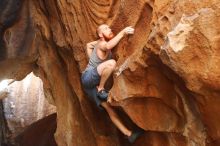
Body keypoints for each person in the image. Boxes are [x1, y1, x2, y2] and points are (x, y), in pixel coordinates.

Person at [81, 24, 143, 143]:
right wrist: (123, 32)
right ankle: (101, 88)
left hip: (89, 86)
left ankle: (129, 134)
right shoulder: (102, 44)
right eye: (105, 29)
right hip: (88, 78)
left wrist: (91, 59)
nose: (109, 29)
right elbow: (108, 45)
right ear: (100, 35)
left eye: (109, 28)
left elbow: (88, 45)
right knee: (112, 63)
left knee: (109, 109)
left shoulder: (97, 44)